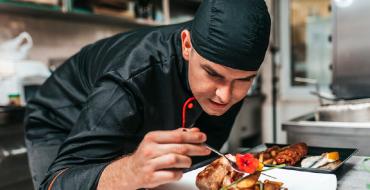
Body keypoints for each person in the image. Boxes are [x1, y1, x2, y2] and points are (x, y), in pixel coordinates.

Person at [24, 0, 271, 189]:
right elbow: (56, 183)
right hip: (59, 119)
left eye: (243, 80)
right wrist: (130, 170)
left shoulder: (228, 82)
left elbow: (198, 162)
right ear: (187, 46)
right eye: (212, 74)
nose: (225, 96)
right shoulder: (130, 78)